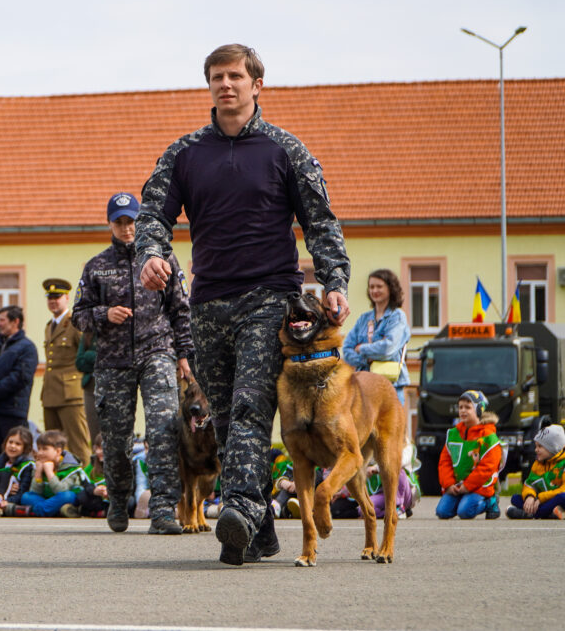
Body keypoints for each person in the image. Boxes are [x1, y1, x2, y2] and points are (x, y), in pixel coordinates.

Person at [134, 44, 351, 565]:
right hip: (208, 301)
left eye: (235, 75)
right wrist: (150, 254)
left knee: (253, 404)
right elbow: (153, 217)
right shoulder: (184, 153)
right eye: (216, 76)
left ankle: (241, 507)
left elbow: (320, 220)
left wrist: (334, 279)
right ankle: (261, 532)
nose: (225, 84)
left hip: (270, 298)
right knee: (224, 418)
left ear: (257, 85)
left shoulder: (284, 150)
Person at [74, 192, 194, 535]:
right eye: (120, 222)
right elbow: (78, 316)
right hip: (112, 362)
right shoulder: (96, 266)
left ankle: (163, 510)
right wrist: (104, 314)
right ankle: (117, 499)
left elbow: (180, 310)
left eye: (132, 221)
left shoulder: (162, 259)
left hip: (157, 352)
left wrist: (183, 354)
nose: (127, 229)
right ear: (111, 224)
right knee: (115, 440)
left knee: (163, 430)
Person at [0, 305, 39, 459]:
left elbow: (19, 378)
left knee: (15, 455)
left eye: (2, 320)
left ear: (15, 322)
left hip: (12, 411)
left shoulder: (27, 348)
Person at [40, 278, 91, 465]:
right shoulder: (49, 326)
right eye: (50, 297)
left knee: (77, 442)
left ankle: (85, 480)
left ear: (67, 298)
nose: (53, 301)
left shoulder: (74, 323)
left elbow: (87, 351)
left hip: (71, 393)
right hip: (50, 392)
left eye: (57, 297)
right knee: (51, 444)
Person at [342, 269, 411, 405]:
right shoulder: (364, 319)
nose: (374, 290)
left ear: (390, 288)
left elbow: (388, 349)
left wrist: (361, 348)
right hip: (363, 387)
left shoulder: (397, 316)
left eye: (379, 286)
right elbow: (346, 351)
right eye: (371, 287)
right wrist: (368, 360)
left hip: (390, 387)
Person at [436, 390, 502, 520]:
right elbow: (445, 462)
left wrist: (467, 486)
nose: (462, 411)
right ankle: (463, 500)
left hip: (479, 486)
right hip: (458, 486)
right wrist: (449, 485)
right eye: (460, 407)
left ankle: (490, 501)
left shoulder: (488, 436)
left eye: (468, 407)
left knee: (465, 512)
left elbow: (487, 467)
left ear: (479, 410)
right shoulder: (453, 434)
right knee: (442, 512)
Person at [15, 429, 87, 518]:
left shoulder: (71, 467)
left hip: (62, 498)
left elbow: (61, 490)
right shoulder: (39, 464)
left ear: (58, 451)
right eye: (39, 449)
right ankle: (58, 511)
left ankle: (36, 510)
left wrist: (49, 472)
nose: (40, 453)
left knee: (68, 496)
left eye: (45, 449)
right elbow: (35, 492)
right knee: (26, 496)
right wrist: (38, 473)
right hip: (47, 499)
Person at [506, 424, 565, 519]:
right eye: (536, 446)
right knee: (515, 498)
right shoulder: (538, 463)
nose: (536, 450)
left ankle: (529, 514)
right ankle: (549, 513)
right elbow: (529, 484)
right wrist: (530, 496)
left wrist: (540, 499)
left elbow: (563, 489)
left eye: (540, 446)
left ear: (553, 448)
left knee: (562, 497)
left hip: (556, 499)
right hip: (545, 501)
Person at [0, 425, 35, 515]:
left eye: (18, 444)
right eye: (10, 442)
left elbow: (24, 490)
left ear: (25, 448)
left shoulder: (27, 466)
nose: (12, 446)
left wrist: (8, 500)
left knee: (6, 474)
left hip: (12, 499)